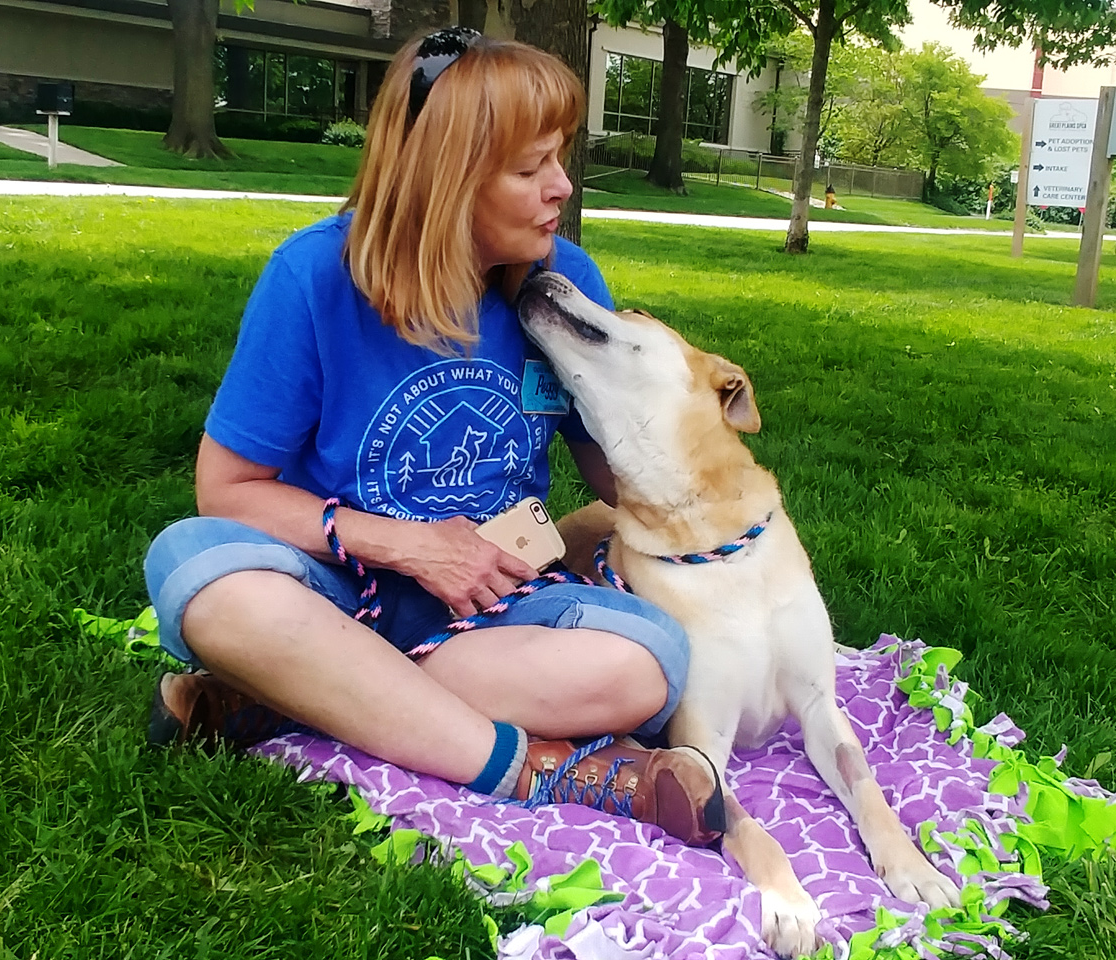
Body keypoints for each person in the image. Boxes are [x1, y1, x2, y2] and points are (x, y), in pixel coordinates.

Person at [141, 28, 724, 844]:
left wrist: (707, 476)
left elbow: (615, 477)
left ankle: (285, 694)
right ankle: (541, 769)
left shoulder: (562, 285)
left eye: (560, 158)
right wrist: (411, 545)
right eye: (531, 168)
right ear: (445, 177)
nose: (561, 187)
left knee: (647, 662)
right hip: (335, 587)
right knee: (200, 572)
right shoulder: (313, 279)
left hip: (496, 607)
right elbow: (227, 493)